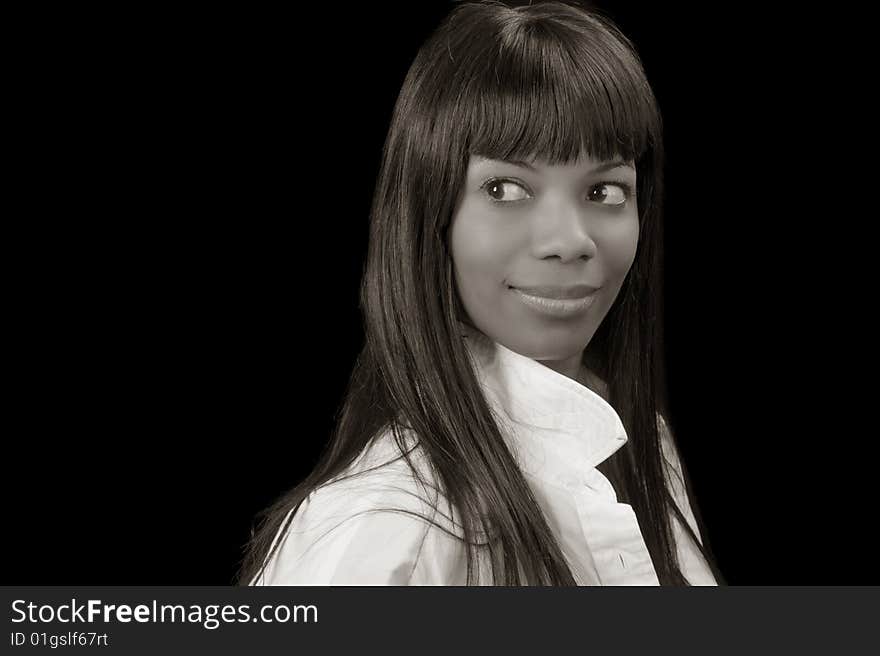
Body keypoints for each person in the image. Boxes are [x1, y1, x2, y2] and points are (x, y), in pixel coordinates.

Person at [239, 0, 725, 586]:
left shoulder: (644, 451)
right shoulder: (383, 531)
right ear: (429, 215)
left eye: (605, 191)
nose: (570, 241)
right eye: (506, 188)